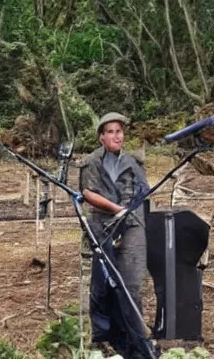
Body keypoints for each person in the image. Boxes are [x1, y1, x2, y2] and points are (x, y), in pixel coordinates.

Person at [80, 112, 150, 358]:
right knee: (102, 284)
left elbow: (144, 190)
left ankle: (136, 340)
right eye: (110, 131)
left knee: (130, 284)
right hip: (103, 226)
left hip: (132, 225)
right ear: (101, 137)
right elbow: (89, 193)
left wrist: (130, 209)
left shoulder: (133, 162)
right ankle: (101, 336)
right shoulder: (92, 162)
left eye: (119, 131)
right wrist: (116, 208)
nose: (116, 136)